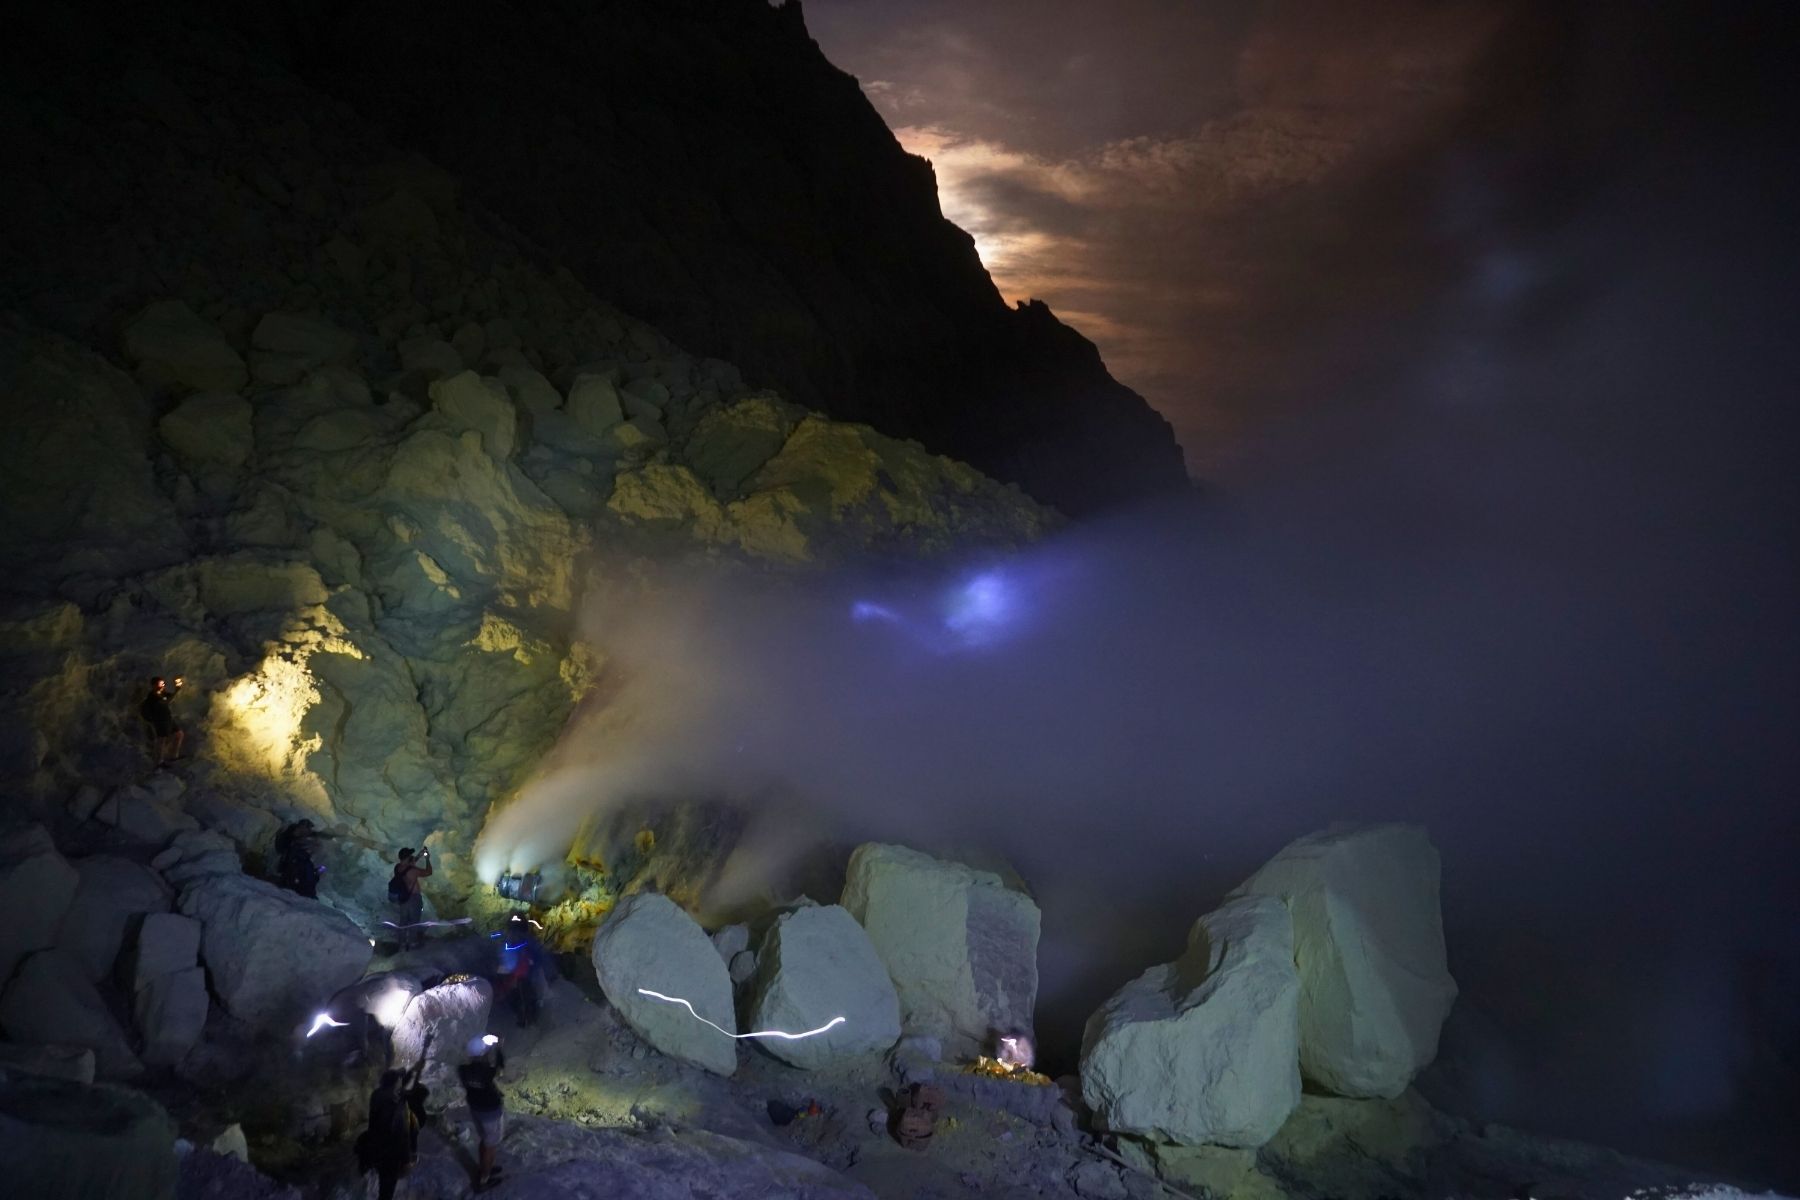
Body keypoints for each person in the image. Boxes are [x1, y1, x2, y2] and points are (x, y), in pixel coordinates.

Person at [458, 1035, 506, 1191]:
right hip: (490, 1112)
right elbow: (500, 1070)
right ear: (483, 1053)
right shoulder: (488, 1072)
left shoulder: (462, 1070)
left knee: (484, 1141)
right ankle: (484, 1180)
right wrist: (498, 1049)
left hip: (476, 1110)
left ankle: (485, 1167)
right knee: (491, 1145)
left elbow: (481, 1068)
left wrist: (486, 1051)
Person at [358, 1069, 413, 1200]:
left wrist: (410, 1072)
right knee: (387, 1190)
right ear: (395, 1084)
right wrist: (406, 1160)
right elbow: (402, 1134)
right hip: (389, 1154)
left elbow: (399, 1086)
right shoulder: (396, 1104)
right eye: (399, 1081)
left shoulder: (376, 1095)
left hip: (375, 1146)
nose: (400, 1083)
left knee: (384, 1182)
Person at [389, 847, 432, 949]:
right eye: (410, 856)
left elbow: (408, 866)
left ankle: (402, 944)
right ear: (408, 858)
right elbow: (428, 872)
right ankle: (412, 943)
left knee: (403, 922)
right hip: (414, 899)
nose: (412, 857)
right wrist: (427, 859)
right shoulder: (413, 871)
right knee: (414, 922)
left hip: (403, 899)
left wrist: (419, 855)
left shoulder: (398, 868)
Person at [274, 819, 326, 898]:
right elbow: (307, 882)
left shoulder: (301, 855)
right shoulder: (297, 852)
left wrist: (316, 873)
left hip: (295, 881)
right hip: (295, 886)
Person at [139, 675, 184, 765]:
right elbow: (165, 702)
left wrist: (177, 687)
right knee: (161, 739)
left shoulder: (162, 693)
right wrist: (176, 690)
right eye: (160, 684)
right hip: (160, 720)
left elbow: (169, 697)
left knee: (179, 734)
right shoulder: (152, 696)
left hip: (168, 718)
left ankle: (174, 756)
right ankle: (159, 762)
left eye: (163, 683)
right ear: (154, 685)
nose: (162, 685)